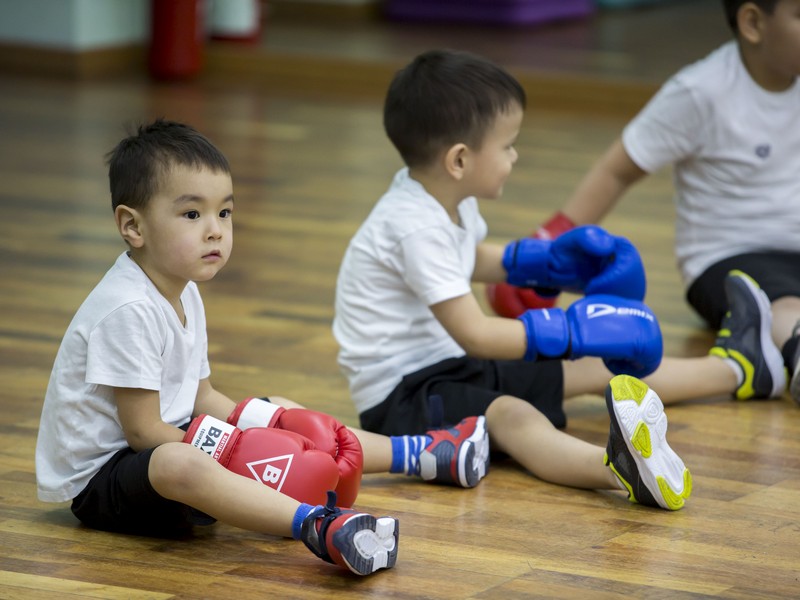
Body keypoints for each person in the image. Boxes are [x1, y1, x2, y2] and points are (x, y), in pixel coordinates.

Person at [332, 49, 787, 513]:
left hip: (450, 363)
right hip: (405, 396)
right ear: (460, 160)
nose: (515, 155)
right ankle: (617, 468)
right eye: (507, 145)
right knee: (513, 415)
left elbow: (467, 260)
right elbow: (478, 332)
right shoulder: (414, 225)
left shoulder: (443, 198)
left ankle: (743, 369)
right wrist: (569, 331)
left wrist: (547, 264)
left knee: (596, 365)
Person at [34, 119, 488, 577]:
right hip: (107, 484)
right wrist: (240, 450)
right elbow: (144, 433)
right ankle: (318, 526)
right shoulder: (127, 308)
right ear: (133, 226)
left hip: (171, 447)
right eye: (193, 215)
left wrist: (270, 429)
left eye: (224, 213)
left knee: (286, 412)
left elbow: (201, 396)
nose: (215, 231)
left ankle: (423, 453)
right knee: (181, 460)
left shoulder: (183, 288)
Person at [490, 0, 800, 403]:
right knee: (784, 304)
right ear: (753, 23)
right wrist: (547, 248)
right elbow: (617, 169)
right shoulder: (699, 92)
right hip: (729, 260)